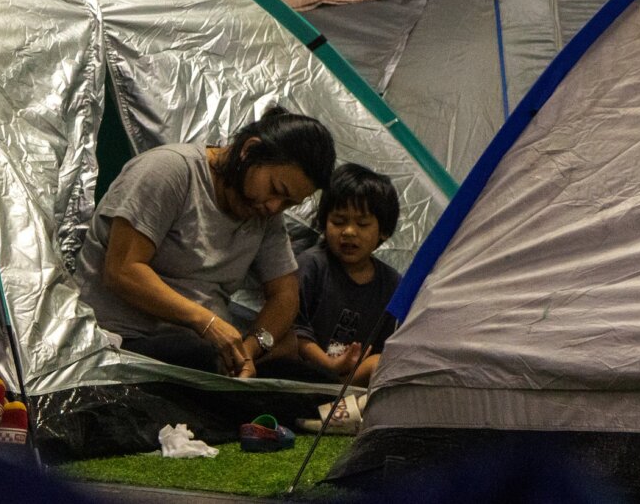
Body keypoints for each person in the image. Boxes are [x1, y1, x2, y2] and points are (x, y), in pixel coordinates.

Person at [75, 106, 336, 378]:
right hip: (125, 342)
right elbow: (123, 270)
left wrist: (248, 350)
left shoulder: (264, 213)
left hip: (203, 350)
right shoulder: (169, 172)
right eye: (275, 190)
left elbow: (285, 295)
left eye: (288, 203)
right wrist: (206, 322)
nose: (274, 206)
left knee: (315, 380)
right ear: (249, 150)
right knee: (198, 354)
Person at [267, 163, 400, 386]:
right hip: (302, 371)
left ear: (384, 231)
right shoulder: (312, 265)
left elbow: (387, 347)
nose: (349, 232)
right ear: (324, 222)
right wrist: (328, 364)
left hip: (350, 381)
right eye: (338, 222)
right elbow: (291, 328)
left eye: (362, 224)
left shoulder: (392, 285)